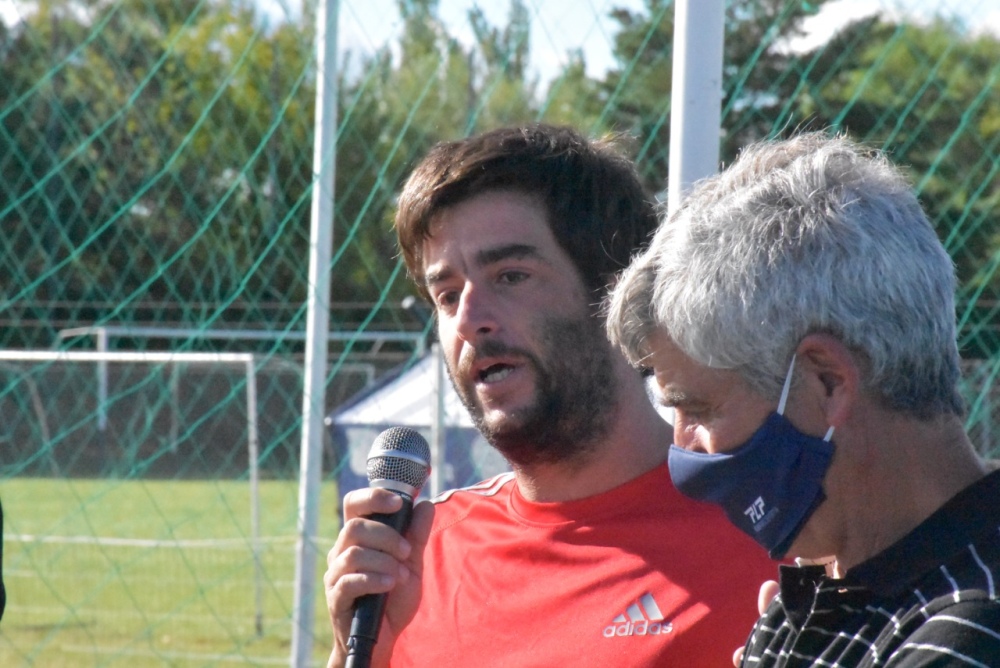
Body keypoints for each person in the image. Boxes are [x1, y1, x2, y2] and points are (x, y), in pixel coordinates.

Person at [323, 124, 777, 667]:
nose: (469, 319)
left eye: (510, 276)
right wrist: (355, 651)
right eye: (446, 295)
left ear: (615, 293)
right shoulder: (415, 560)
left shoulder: (771, 539)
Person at [606, 131, 1000, 666]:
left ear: (827, 381)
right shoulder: (840, 581)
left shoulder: (966, 632)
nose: (684, 450)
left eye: (699, 410)